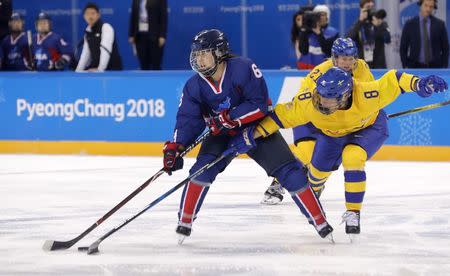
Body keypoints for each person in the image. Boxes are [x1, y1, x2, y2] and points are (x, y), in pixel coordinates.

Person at [163, 29, 333, 243]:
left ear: (220, 52)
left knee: (291, 173)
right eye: (196, 54)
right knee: (200, 171)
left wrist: (230, 117)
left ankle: (321, 222)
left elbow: (259, 104)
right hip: (222, 134)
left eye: (204, 53)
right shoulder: (194, 86)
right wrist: (176, 147)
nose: (199, 59)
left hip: (257, 129)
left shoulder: (243, 68)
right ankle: (184, 222)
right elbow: (188, 119)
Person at [252, 67, 447, 236]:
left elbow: (395, 80)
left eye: (330, 99)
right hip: (333, 134)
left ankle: (353, 213)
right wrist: (250, 135)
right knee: (317, 173)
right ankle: (317, 188)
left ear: (345, 95)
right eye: (321, 95)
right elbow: (279, 117)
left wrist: (420, 83)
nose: (322, 102)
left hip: (369, 129)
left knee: (352, 156)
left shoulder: (367, 95)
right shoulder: (309, 103)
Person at [262, 37, 374, 205]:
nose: (348, 63)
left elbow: (369, 98)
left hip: (335, 121)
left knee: (327, 156)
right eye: (344, 58)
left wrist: (371, 114)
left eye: (351, 58)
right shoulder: (320, 72)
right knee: (306, 152)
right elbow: (304, 103)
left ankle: (317, 184)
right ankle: (278, 184)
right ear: (334, 57)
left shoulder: (362, 68)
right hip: (309, 116)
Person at [400, 0, 449, 68]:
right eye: (426, 5)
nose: (428, 9)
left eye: (431, 7)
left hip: (436, 67)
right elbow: (403, 48)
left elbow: (445, 48)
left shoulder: (440, 24)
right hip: (414, 67)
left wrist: (444, 66)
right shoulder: (409, 24)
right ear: (420, 5)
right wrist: (405, 65)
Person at [76, 2, 122, 72]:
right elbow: (85, 54)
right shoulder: (87, 32)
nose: (90, 16)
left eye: (93, 13)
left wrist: (100, 69)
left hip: (112, 70)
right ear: (84, 16)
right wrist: (78, 71)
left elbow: (105, 50)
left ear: (98, 15)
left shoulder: (106, 27)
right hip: (96, 71)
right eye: (87, 14)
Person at [346, 0, 390, 68]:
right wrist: (360, 21)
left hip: (378, 65)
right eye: (368, 7)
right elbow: (348, 38)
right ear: (361, 9)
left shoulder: (381, 23)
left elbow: (387, 40)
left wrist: (378, 26)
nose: (370, 10)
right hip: (362, 65)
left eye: (372, 7)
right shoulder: (359, 24)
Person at [128, 0, 167, 70]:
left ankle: (156, 80)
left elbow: (163, 16)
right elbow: (133, 16)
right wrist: (131, 34)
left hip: (155, 35)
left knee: (156, 64)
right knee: (143, 64)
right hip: (139, 35)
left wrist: (162, 35)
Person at [298, 4, 338, 69]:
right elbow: (303, 51)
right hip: (307, 69)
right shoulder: (307, 32)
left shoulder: (333, 32)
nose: (320, 18)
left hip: (325, 69)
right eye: (317, 15)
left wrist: (319, 34)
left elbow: (328, 52)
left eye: (322, 15)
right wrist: (303, 31)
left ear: (327, 17)